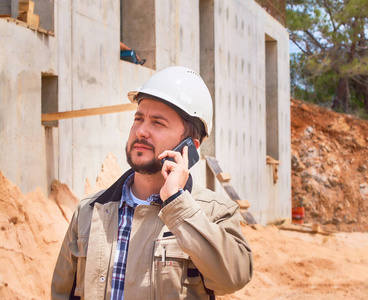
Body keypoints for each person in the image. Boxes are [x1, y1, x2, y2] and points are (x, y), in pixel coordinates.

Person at [51, 66, 253, 299]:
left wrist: (177, 203)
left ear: (190, 147)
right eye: (139, 118)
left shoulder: (214, 212)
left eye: (157, 122)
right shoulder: (89, 210)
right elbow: (61, 292)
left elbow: (234, 278)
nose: (142, 131)